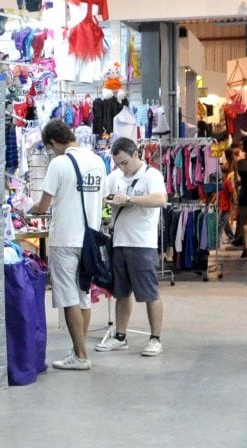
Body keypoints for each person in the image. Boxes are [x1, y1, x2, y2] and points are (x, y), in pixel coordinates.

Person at [29, 119, 106, 370]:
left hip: (64, 238)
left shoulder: (59, 163)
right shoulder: (97, 161)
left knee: (69, 298)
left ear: (53, 142)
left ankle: (81, 356)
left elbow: (43, 204)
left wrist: (32, 211)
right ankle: (78, 351)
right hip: (89, 238)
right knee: (83, 296)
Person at [94, 137, 167, 356]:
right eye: (118, 164)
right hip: (118, 242)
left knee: (149, 293)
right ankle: (120, 336)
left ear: (136, 154)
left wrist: (130, 200)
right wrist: (110, 201)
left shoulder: (151, 175)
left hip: (142, 244)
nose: (122, 168)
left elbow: (160, 199)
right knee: (121, 293)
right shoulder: (114, 177)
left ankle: (155, 338)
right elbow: (102, 199)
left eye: (125, 162)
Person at [217, 147, 237, 243]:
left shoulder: (227, 181)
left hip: (226, 205)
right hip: (224, 204)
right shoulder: (225, 180)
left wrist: (235, 200)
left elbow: (232, 191)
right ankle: (231, 236)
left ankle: (217, 239)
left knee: (221, 222)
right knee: (224, 222)